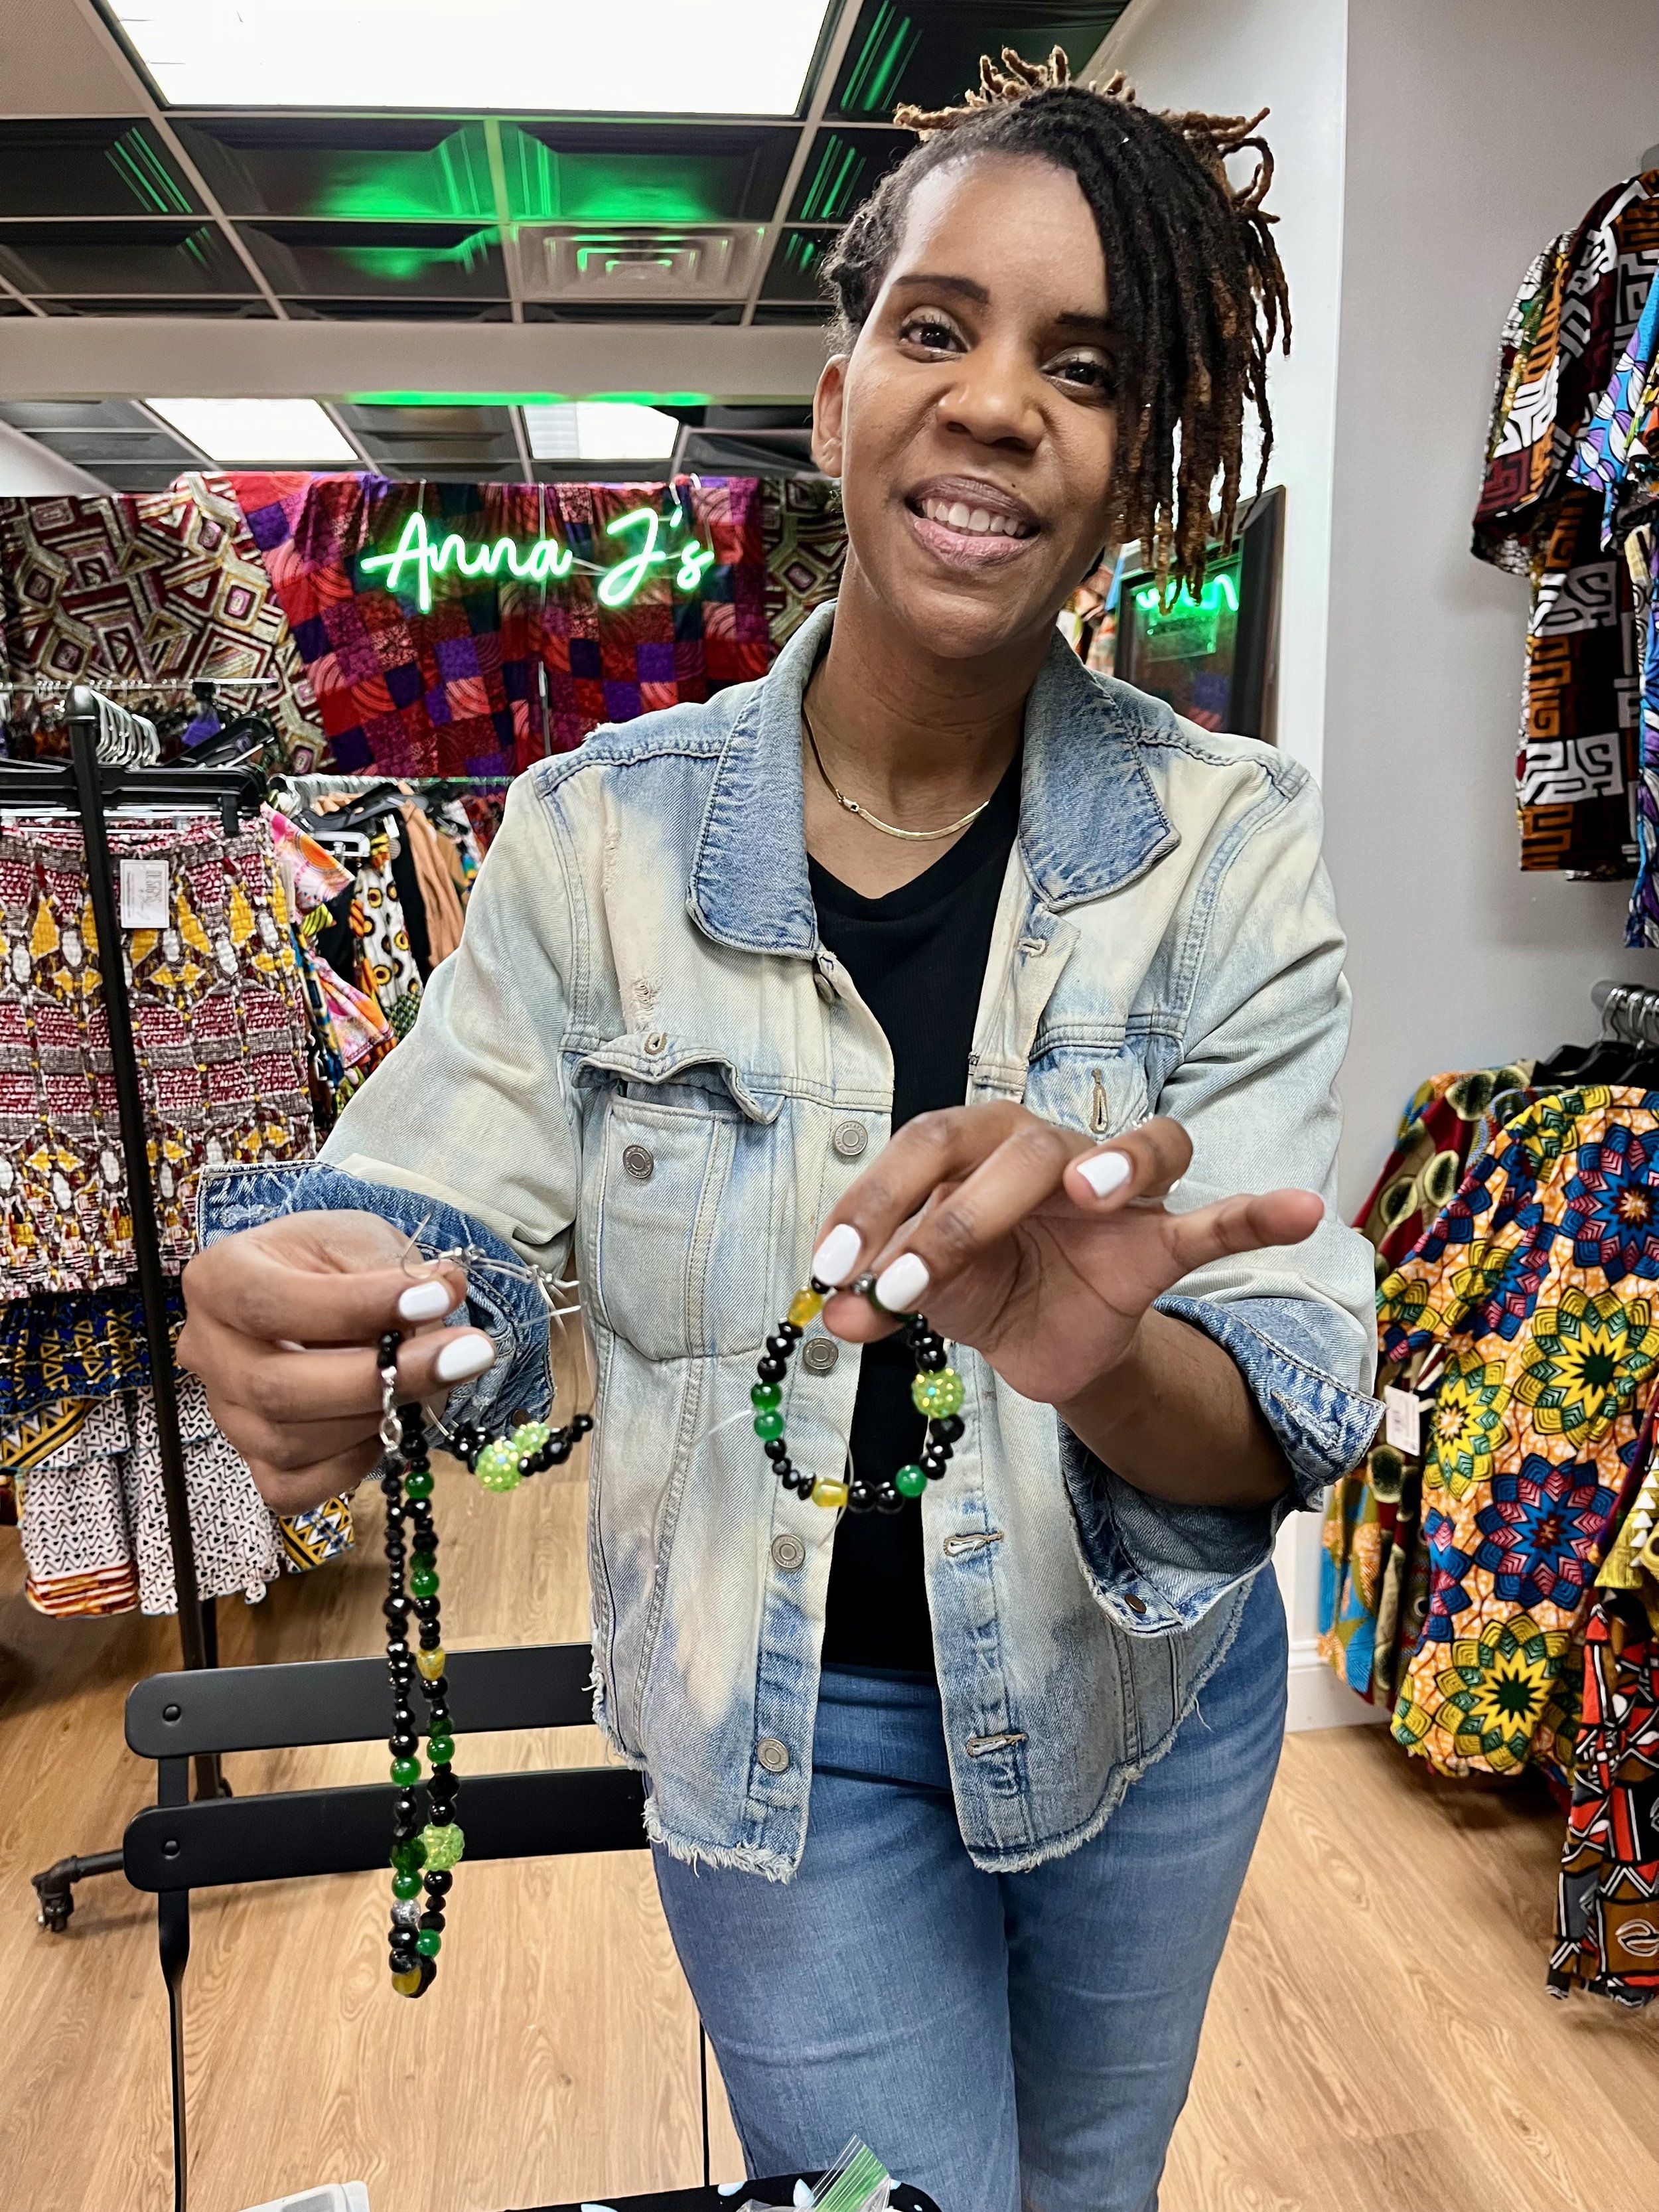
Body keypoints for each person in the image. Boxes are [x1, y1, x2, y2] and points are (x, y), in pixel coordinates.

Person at [180, 48, 1378, 2212]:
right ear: (838, 403)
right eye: (939, 326)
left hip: (1147, 1721)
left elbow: (1272, 1410)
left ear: (1131, 476)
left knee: (1088, 2195)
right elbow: (418, 1204)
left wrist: (1093, 1345)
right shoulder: (589, 844)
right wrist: (342, 1313)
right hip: (778, 1744)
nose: (999, 397)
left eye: (1084, 367)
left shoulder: (1234, 850)